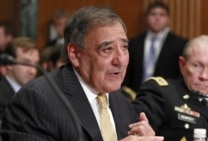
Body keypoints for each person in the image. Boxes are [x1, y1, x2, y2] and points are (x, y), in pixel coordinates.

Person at [0, 6, 164, 141]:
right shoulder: (36, 100)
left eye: (124, 47)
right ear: (75, 54)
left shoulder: (121, 102)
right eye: (107, 49)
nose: (121, 60)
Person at [132, 35, 208, 141]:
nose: (204, 76)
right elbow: (133, 133)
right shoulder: (161, 93)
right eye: (197, 66)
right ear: (182, 65)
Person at [122, 1, 188, 100]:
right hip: (135, 97)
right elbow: (127, 71)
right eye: (153, 14)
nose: (157, 18)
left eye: (162, 15)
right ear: (146, 19)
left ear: (168, 19)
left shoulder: (180, 44)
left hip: (166, 98)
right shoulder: (134, 43)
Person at [0, 36, 39, 118]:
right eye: (26, 63)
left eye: (36, 64)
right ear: (9, 63)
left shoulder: (37, 94)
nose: (32, 71)